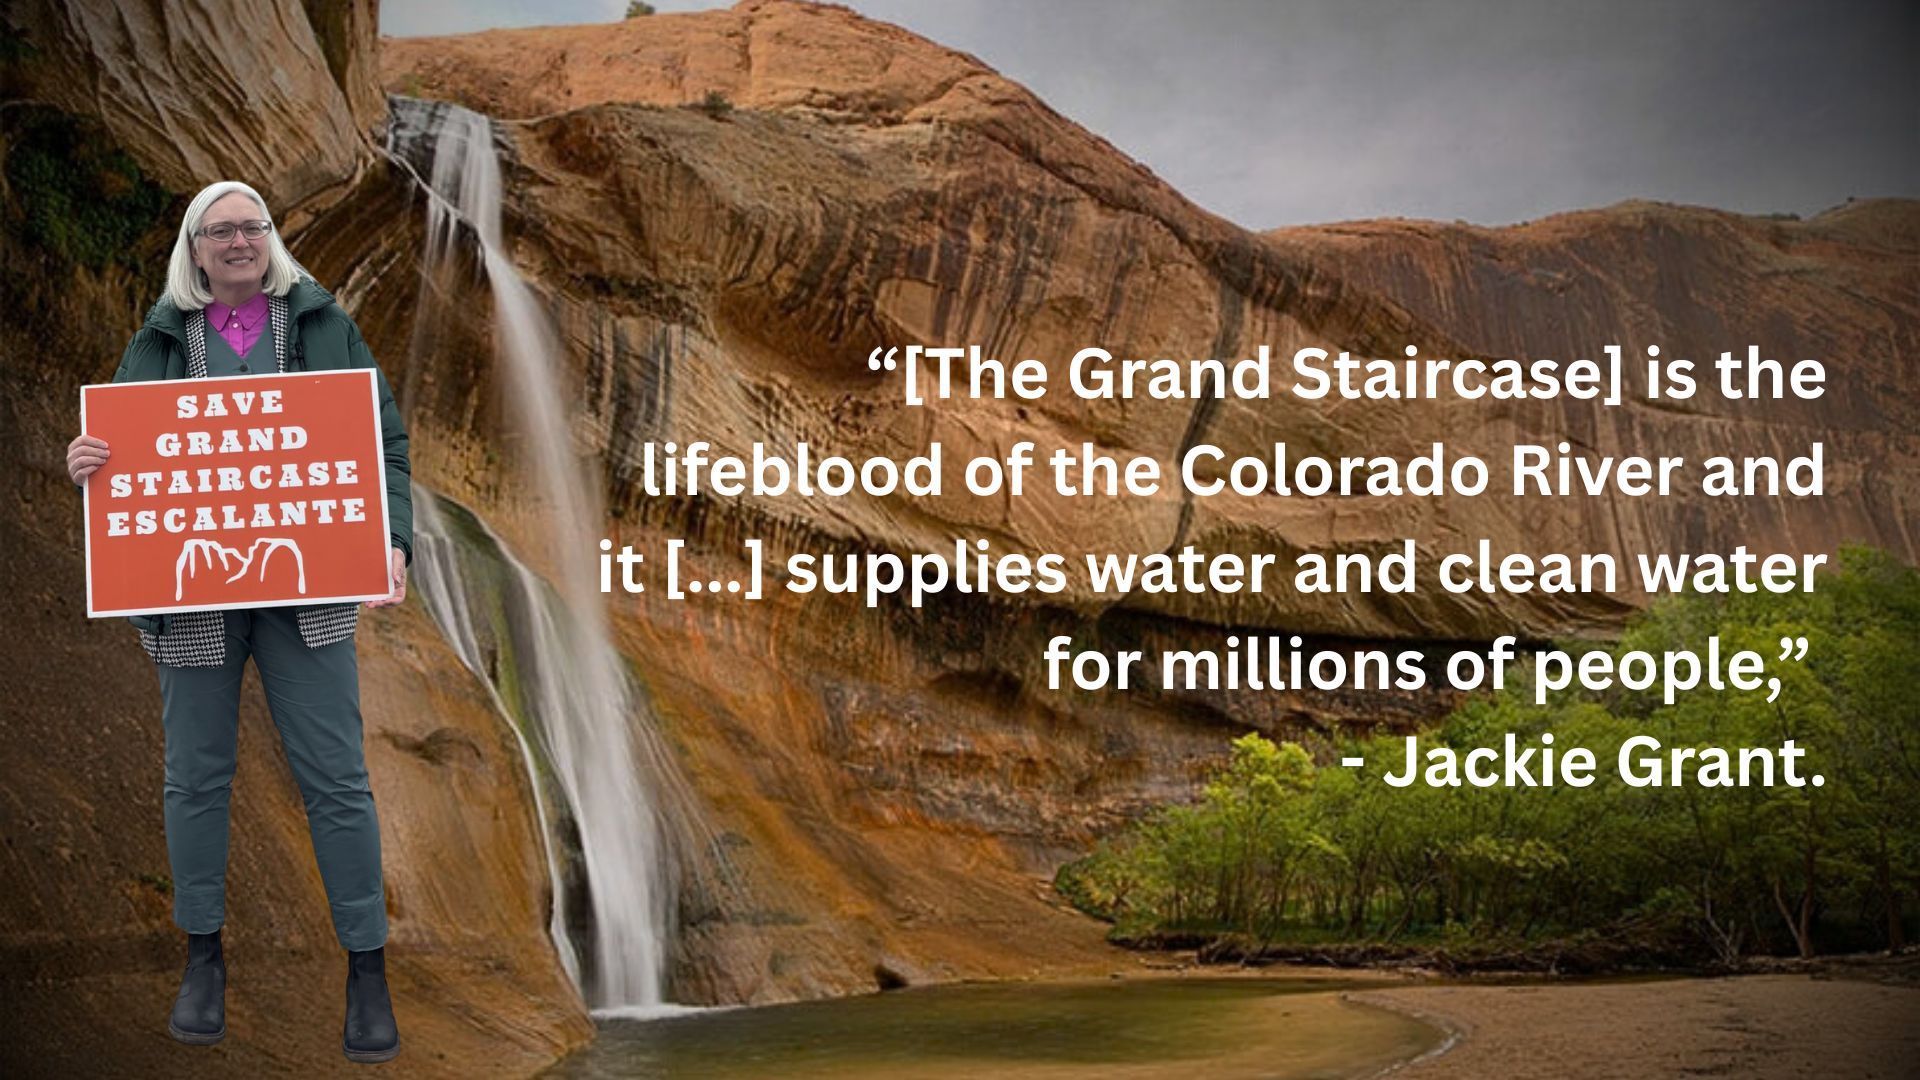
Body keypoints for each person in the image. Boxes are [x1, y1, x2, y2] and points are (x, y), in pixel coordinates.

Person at [66, 180, 412, 1064]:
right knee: (195, 779)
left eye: (252, 226)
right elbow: (118, 453)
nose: (239, 241)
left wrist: (394, 541)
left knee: (337, 778)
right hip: (193, 599)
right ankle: (203, 959)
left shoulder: (324, 324)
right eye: (219, 230)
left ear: (271, 239)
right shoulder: (157, 340)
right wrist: (86, 461)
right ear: (194, 246)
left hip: (312, 594)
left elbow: (385, 442)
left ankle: (367, 973)